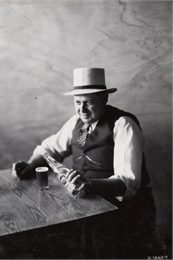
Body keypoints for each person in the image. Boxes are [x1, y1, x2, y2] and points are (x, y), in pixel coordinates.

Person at [15, 68, 165, 258]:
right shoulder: (75, 123)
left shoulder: (123, 124)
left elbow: (127, 184)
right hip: (86, 207)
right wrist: (29, 166)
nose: (82, 109)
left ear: (104, 99)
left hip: (125, 212)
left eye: (89, 103)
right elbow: (48, 149)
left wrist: (90, 184)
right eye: (77, 102)